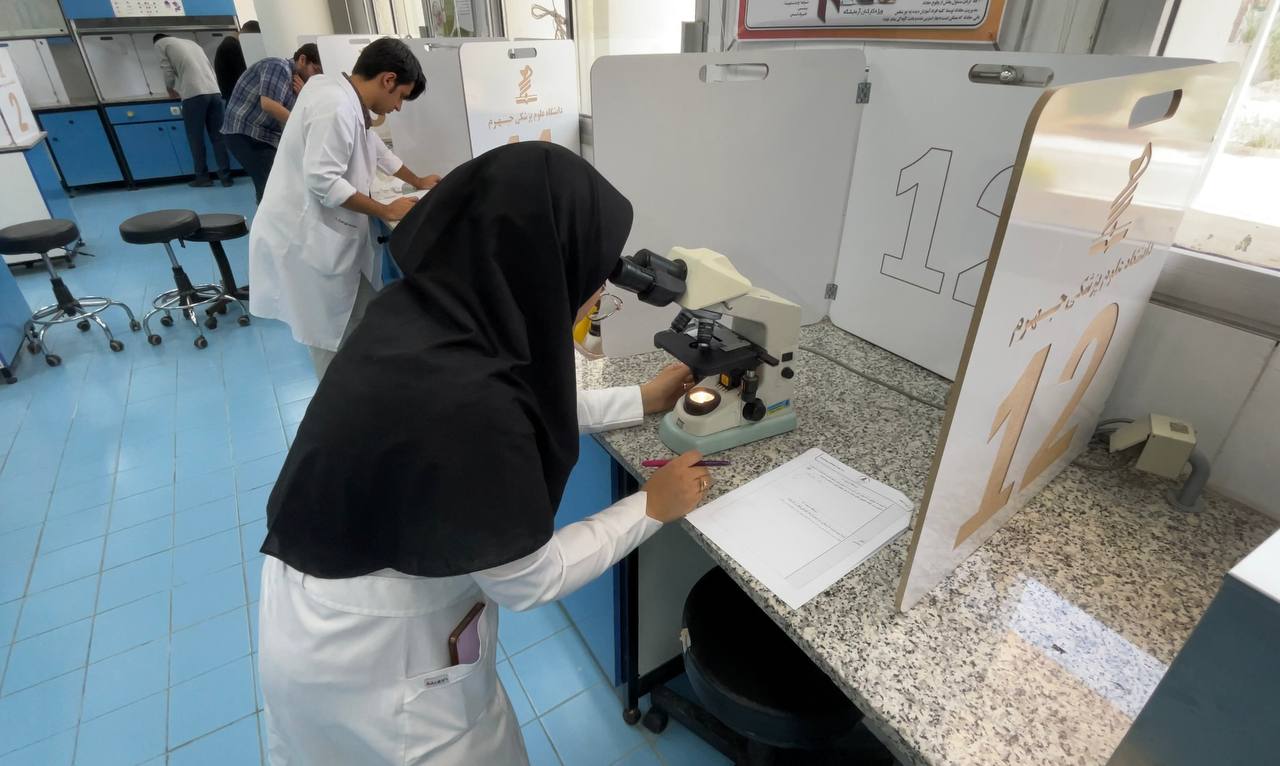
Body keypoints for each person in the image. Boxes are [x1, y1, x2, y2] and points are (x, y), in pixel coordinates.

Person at [257, 142, 710, 765]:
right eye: (592, 276)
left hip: (317, 617)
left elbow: (522, 403)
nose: (594, 295)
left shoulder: (429, 316)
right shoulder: (470, 400)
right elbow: (530, 578)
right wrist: (650, 507)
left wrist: (640, 399)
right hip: (379, 665)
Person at [247, 37, 441, 379]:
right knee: (329, 339)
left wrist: (418, 180)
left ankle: (362, 387)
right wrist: (385, 210)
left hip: (323, 232)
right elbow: (323, 180)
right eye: (400, 97)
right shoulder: (335, 105)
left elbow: (376, 148)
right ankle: (336, 403)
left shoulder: (339, 93)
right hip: (305, 239)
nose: (398, 107)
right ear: (388, 80)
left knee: (357, 318)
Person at [222, 44, 323, 202]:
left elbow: (298, 113)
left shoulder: (298, 83)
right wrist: (302, 125)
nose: (315, 77)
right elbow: (268, 104)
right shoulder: (278, 66)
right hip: (246, 132)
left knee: (274, 186)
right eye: (315, 70)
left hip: (264, 137)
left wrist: (305, 94)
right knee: (271, 189)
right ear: (302, 60)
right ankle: (268, 217)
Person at [153, 34, 232, 187]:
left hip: (193, 94)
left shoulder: (160, 44)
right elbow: (209, 67)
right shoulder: (192, 43)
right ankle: (226, 177)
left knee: (196, 138)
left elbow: (167, 70)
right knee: (218, 137)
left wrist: (170, 88)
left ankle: (202, 178)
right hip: (214, 92)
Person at [213, 20, 260, 100]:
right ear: (249, 36)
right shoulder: (232, 46)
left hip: (231, 96)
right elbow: (244, 74)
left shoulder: (228, 44)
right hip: (235, 97)